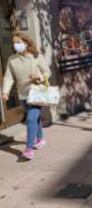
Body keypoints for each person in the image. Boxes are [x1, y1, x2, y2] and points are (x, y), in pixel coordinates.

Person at [1, 32, 51, 160]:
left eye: (18, 42)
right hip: (22, 94)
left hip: (37, 92)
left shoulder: (36, 56)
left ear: (27, 43)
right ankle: (40, 140)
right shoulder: (12, 59)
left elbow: (47, 72)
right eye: (14, 43)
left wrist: (39, 77)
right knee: (35, 118)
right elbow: (9, 77)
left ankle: (28, 149)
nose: (15, 45)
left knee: (30, 119)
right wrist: (5, 91)